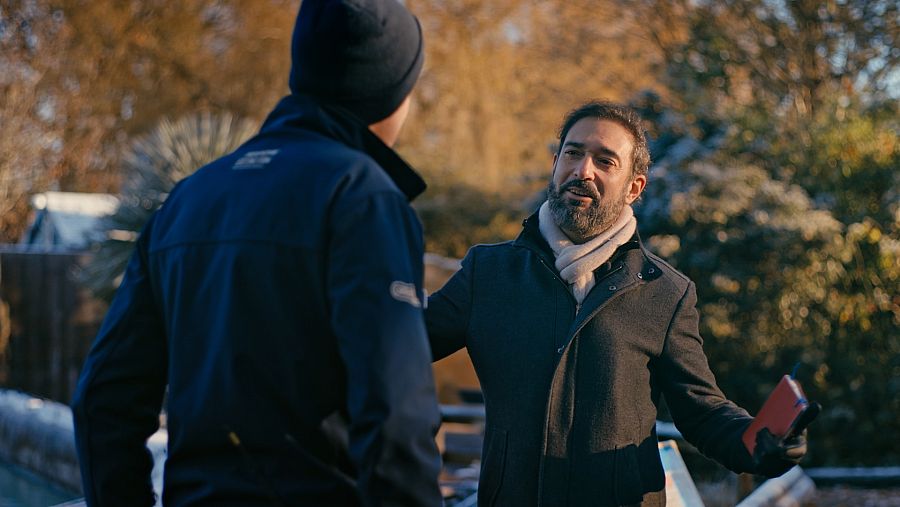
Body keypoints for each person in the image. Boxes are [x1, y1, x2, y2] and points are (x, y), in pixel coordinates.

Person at [72, 1, 443, 506]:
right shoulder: (363, 198)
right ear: (392, 89)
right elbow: (396, 413)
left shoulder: (190, 197)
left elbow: (104, 399)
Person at [425, 101, 811, 506]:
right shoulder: (489, 273)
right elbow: (400, 348)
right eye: (573, 154)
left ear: (634, 187)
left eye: (604, 161)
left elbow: (703, 412)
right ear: (555, 164)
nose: (583, 171)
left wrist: (760, 444)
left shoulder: (666, 293)